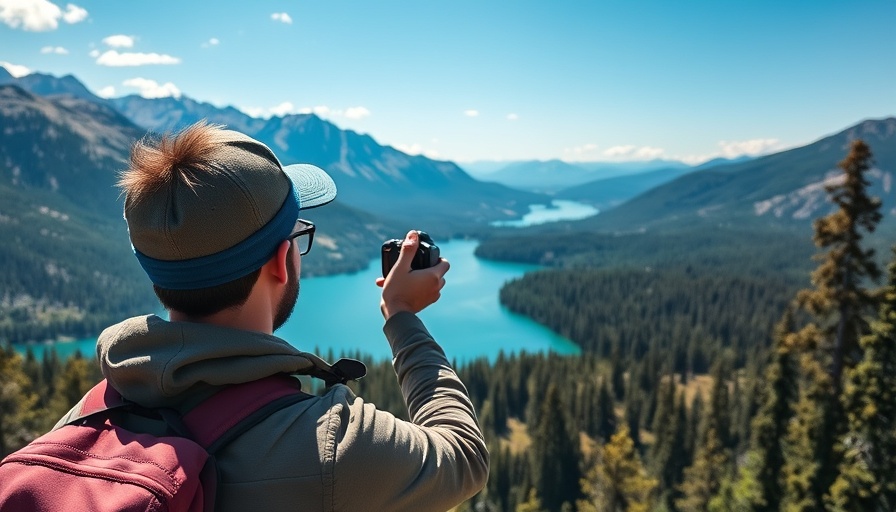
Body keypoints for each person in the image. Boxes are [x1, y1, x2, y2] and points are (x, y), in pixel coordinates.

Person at [53, 122, 489, 511]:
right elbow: (465, 458)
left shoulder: (88, 417)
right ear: (283, 260)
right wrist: (402, 315)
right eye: (298, 235)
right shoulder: (330, 446)